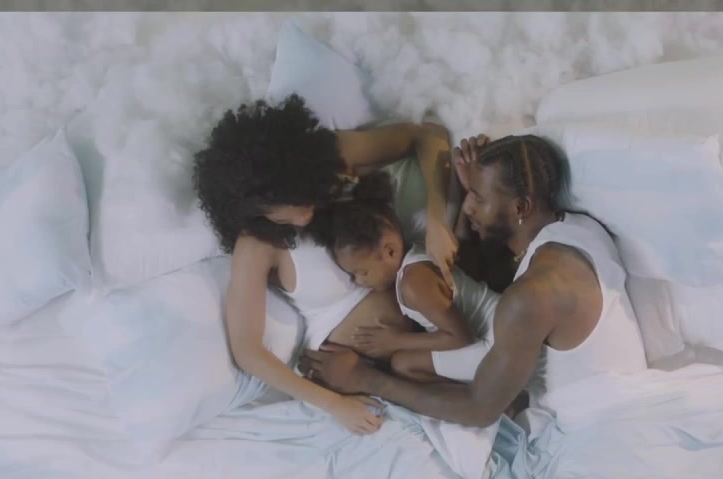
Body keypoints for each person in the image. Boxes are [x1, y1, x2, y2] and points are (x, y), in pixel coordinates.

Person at [301, 133, 648, 428]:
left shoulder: (532, 295)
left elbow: (479, 410)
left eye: (478, 198)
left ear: (520, 208)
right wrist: (476, 193)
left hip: (590, 423)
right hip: (623, 396)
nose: (467, 208)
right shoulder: (577, 229)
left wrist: (363, 378)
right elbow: (492, 272)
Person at [191, 95, 460, 436]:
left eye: (306, 198)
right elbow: (247, 350)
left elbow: (427, 135)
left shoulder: (333, 160)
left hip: (438, 326)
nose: (304, 217)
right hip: (371, 371)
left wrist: (437, 220)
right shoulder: (256, 247)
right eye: (284, 214)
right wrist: (334, 405)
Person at [307, 176, 501, 386]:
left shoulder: (413, 282)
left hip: (498, 340)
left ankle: (484, 393)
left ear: (390, 251)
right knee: (404, 362)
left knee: (404, 364)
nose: (358, 281)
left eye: (361, 272)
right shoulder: (414, 261)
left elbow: (462, 337)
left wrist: (395, 340)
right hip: (489, 335)